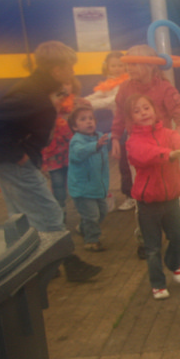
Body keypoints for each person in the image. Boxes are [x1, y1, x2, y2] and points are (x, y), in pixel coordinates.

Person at [0, 40, 101, 282]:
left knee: (20, 214)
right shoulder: (32, 94)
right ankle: (67, 265)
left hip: (11, 159)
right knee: (48, 212)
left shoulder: (40, 89)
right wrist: (17, 154)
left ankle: (38, 266)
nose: (72, 71)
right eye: (69, 67)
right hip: (12, 161)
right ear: (57, 70)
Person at [125, 94, 180, 300]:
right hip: (148, 204)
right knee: (152, 248)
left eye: (146, 108)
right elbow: (144, 154)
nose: (143, 113)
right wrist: (169, 154)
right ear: (131, 118)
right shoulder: (133, 141)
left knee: (179, 237)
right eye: (137, 111)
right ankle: (158, 284)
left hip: (171, 200)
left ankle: (173, 263)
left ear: (154, 110)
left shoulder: (169, 134)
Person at [111, 46, 180, 217]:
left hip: (165, 148)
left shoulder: (165, 88)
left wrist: (177, 141)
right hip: (138, 149)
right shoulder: (125, 88)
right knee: (141, 185)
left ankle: (177, 224)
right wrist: (115, 137)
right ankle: (145, 225)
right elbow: (120, 115)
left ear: (151, 65)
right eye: (128, 64)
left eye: (135, 64)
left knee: (170, 184)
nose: (130, 68)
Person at [87, 51, 134, 210]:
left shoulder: (127, 82)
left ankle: (131, 195)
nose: (117, 68)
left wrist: (86, 104)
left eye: (120, 65)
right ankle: (126, 194)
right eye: (113, 65)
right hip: (120, 126)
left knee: (127, 162)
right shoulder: (110, 83)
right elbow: (98, 95)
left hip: (130, 126)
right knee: (122, 162)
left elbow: (112, 100)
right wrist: (81, 101)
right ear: (107, 67)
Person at [67, 105, 111, 252]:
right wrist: (95, 146)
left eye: (91, 118)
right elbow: (79, 153)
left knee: (103, 212)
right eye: (83, 119)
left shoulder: (100, 136)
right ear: (74, 126)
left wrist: (119, 135)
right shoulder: (76, 141)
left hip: (98, 185)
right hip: (83, 188)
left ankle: (83, 227)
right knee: (92, 215)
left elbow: (110, 138)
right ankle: (91, 241)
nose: (89, 121)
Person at [41, 76, 84, 218]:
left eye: (67, 83)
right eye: (59, 85)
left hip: (73, 152)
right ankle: (60, 213)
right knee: (57, 183)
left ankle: (85, 214)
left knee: (77, 182)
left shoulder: (79, 104)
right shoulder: (46, 106)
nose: (64, 88)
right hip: (53, 153)